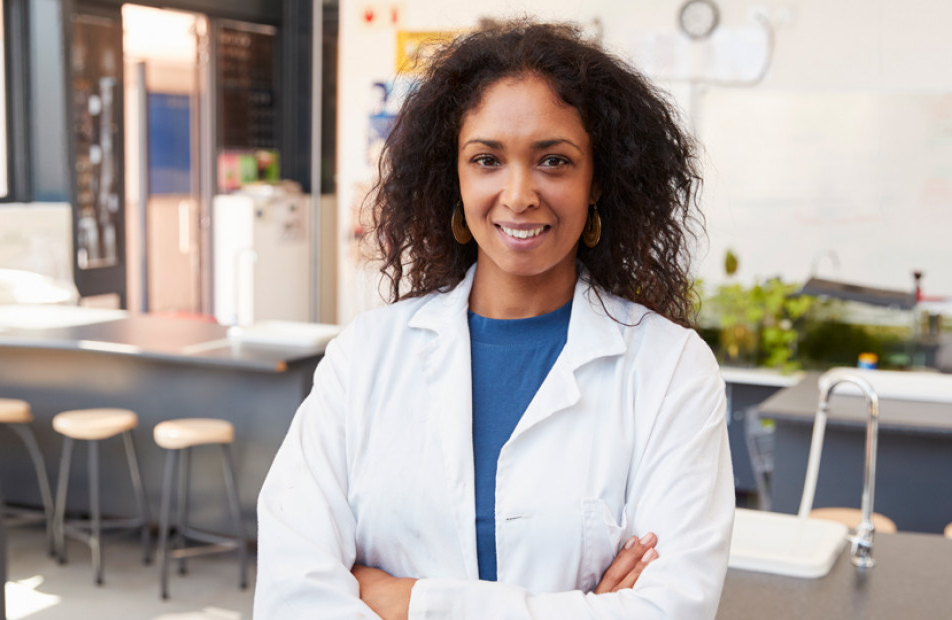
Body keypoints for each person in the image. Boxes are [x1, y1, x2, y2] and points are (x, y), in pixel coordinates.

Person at [255, 19, 733, 619]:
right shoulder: (367, 356)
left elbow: (670, 611)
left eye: (554, 161)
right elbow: (291, 593)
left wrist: (410, 602)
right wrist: (577, 608)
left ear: (598, 182)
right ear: (453, 176)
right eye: (487, 159)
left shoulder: (670, 368)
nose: (517, 194)